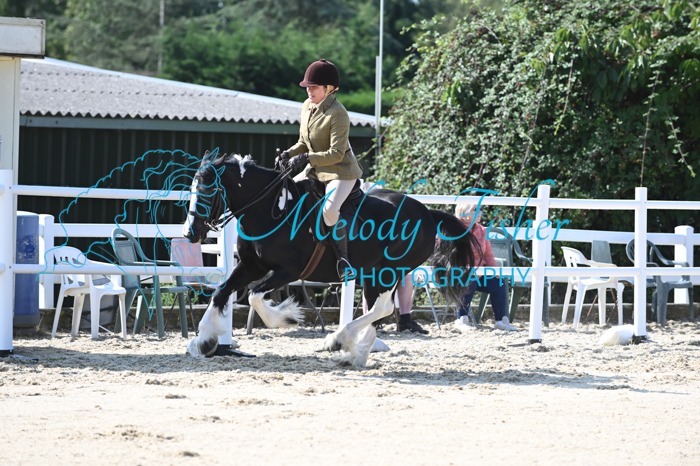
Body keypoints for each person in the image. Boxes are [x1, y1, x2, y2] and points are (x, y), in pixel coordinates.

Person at [279, 59, 363, 280]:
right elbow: (303, 142)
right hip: (316, 170)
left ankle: (343, 260)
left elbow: (337, 153)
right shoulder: (307, 106)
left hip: (340, 172)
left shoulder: (338, 113)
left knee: (329, 211)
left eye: (314, 87)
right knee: (288, 196)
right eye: (307, 86)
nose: (309, 91)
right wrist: (288, 154)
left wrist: (306, 158)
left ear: (329, 88)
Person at [453, 202, 517, 332]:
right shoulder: (453, 229)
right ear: (463, 213)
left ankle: (501, 320)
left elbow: (488, 254)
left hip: (480, 273)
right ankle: (461, 319)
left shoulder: (482, 230)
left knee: (499, 282)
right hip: (458, 272)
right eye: (475, 210)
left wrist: (494, 270)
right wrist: (470, 270)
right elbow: (450, 255)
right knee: (470, 278)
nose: (480, 212)